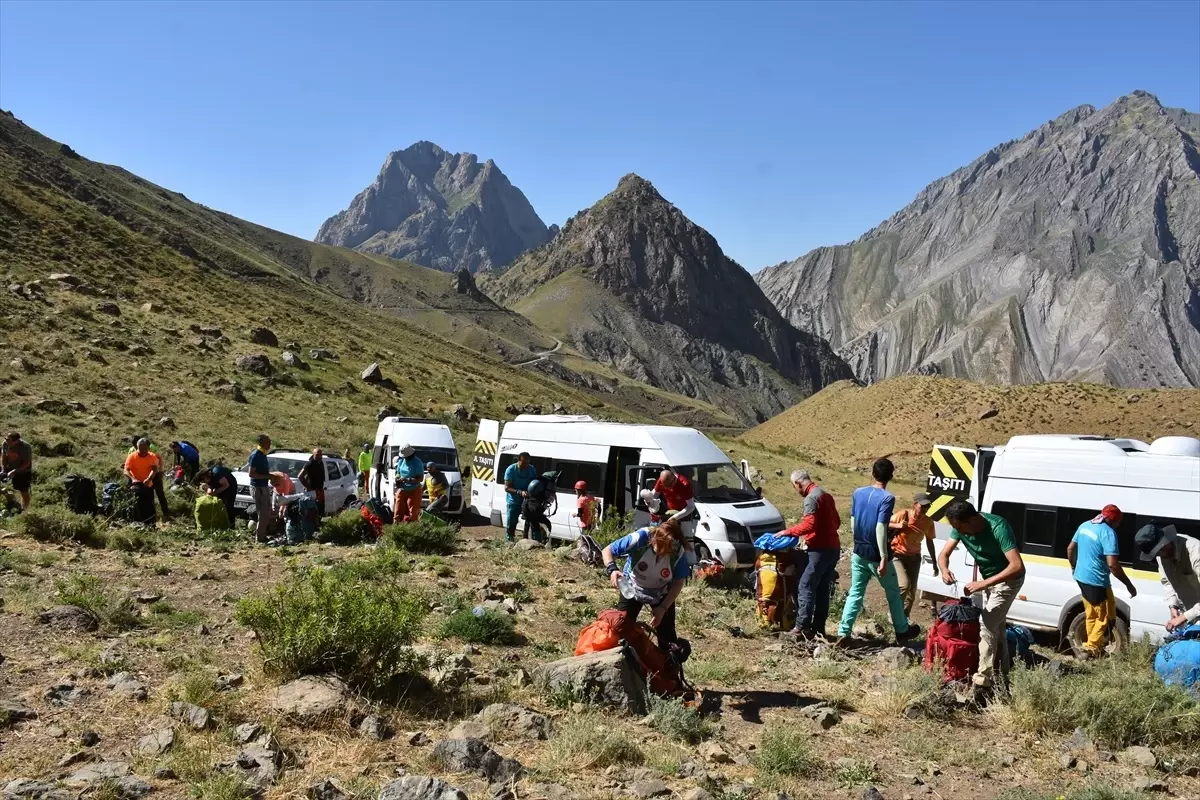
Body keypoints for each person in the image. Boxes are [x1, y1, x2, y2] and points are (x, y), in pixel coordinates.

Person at [938, 500, 1026, 688]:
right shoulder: (959, 527)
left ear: (971, 520)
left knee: (986, 623)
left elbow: (1017, 566)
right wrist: (944, 569)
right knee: (997, 627)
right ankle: (1002, 676)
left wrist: (982, 583)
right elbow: (944, 554)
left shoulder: (998, 527)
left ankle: (982, 681)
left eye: (960, 527)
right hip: (989, 582)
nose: (958, 532)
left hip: (1008, 581)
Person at [836, 458, 920, 645]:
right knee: (893, 592)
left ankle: (843, 632)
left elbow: (853, 521)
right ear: (890, 476)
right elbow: (881, 526)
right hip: (876, 554)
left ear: (872, 474)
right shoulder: (887, 498)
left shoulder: (858, 493)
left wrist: (857, 542)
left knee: (856, 592)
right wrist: (883, 556)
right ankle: (902, 631)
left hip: (859, 551)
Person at [602, 516, 693, 649]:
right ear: (654, 539)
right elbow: (607, 550)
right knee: (621, 628)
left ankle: (667, 665)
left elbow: (678, 582)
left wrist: (663, 608)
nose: (662, 554)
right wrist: (612, 569)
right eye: (660, 549)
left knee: (668, 639)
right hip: (632, 587)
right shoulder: (641, 538)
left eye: (667, 552)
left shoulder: (678, 550)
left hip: (661, 591)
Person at [1066, 505, 1138, 657]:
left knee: (1093, 612)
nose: (1118, 525)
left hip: (1081, 578)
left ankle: (1094, 642)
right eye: (1118, 522)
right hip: (1096, 581)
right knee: (1102, 616)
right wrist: (1129, 585)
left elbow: (1070, 549)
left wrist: (1074, 566)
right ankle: (1091, 648)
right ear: (1113, 520)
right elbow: (1113, 564)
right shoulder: (1108, 533)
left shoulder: (1085, 525)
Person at [782, 469, 842, 639]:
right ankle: (819, 627)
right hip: (833, 548)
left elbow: (809, 525)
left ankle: (801, 628)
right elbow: (837, 522)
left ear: (798, 484)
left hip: (819, 550)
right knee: (822, 587)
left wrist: (788, 532)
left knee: (805, 585)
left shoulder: (811, 498)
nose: (797, 490)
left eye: (795, 487)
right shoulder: (826, 495)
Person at [1135, 522, 1200, 633]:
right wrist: (1173, 606)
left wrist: (1184, 617)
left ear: (1165, 543)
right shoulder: (1161, 554)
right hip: (1191, 615)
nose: (1159, 556)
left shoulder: (1195, 551)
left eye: (1159, 551)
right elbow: (1167, 581)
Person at [888, 492, 939, 616]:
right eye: (923, 506)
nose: (926, 509)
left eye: (928, 507)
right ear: (915, 504)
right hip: (897, 555)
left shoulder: (928, 522)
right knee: (904, 585)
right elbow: (885, 524)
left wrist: (934, 562)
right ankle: (894, 613)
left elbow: (929, 541)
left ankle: (904, 618)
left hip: (915, 558)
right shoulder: (903, 515)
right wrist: (898, 525)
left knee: (912, 591)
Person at [128, 435, 171, 521]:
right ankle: (142, 515)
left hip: (155, 474)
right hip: (140, 477)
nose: (137, 448)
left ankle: (166, 513)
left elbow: (159, 458)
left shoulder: (150, 448)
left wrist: (161, 471)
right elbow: (130, 462)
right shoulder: (132, 450)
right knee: (142, 496)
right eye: (135, 446)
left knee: (160, 493)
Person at [123, 438, 162, 525]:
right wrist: (133, 479)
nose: (141, 450)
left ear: (148, 448)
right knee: (135, 505)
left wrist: (148, 479)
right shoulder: (132, 456)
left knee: (149, 506)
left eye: (144, 448)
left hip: (147, 484)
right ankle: (135, 523)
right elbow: (126, 470)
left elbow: (154, 469)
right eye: (139, 448)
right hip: (135, 485)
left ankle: (150, 524)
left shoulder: (152, 456)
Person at [503, 452, 538, 542]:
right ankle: (509, 540)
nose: (526, 465)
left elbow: (534, 483)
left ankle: (525, 540)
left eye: (527, 463)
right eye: (523, 463)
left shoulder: (532, 469)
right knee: (512, 522)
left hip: (527, 500)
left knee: (529, 520)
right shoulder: (511, 470)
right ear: (518, 461)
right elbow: (507, 488)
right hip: (514, 501)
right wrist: (519, 492)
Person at [248, 434, 273, 542]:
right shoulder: (256, 455)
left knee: (267, 513)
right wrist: (268, 476)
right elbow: (251, 474)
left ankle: (263, 534)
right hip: (257, 487)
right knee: (262, 514)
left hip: (264, 486)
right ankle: (260, 538)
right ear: (262, 443)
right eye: (268, 442)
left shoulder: (263, 454)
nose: (270, 444)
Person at [198, 464, 238, 529]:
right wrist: (209, 492)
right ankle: (220, 524)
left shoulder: (217, 474)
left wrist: (215, 492)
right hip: (221, 485)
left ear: (206, 476)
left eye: (203, 480)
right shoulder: (209, 478)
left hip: (230, 486)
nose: (203, 482)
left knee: (228, 506)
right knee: (219, 504)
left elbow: (226, 485)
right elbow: (210, 485)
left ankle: (231, 526)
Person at [1, 431, 33, 510]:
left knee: (23, 491)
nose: (6, 441)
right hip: (9, 467)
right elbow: (4, 457)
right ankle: (8, 497)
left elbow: (26, 463)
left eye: (9, 440)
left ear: (16, 441)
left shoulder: (25, 447)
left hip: (22, 471)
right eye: (6, 439)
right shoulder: (5, 444)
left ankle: (24, 510)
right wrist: (4, 469)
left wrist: (15, 471)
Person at [393, 444, 424, 523]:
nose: (404, 458)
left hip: (414, 490)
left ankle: (411, 529)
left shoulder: (417, 462)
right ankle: (396, 528)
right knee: (398, 512)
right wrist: (397, 477)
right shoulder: (401, 461)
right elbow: (398, 472)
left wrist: (407, 479)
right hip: (402, 489)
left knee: (413, 513)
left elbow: (420, 478)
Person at [298, 448, 326, 516]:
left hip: (320, 490)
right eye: (317, 455)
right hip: (312, 491)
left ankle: (319, 524)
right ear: (313, 455)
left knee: (320, 510)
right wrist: (307, 487)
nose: (319, 456)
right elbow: (300, 476)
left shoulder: (321, 462)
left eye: (320, 455)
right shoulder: (310, 464)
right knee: (312, 511)